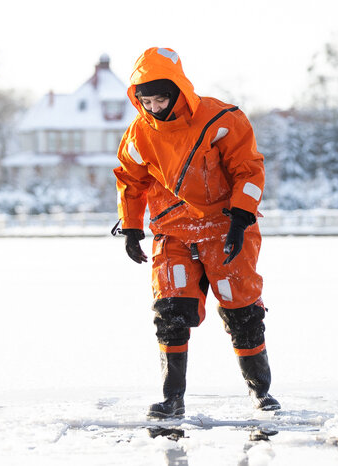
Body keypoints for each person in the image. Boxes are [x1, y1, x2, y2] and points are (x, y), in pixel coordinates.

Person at [113, 47, 280, 419]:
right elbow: (129, 181)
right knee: (170, 311)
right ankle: (172, 399)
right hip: (172, 234)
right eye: (146, 101)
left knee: (242, 312)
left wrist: (241, 218)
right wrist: (131, 227)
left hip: (225, 230)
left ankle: (261, 394)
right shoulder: (139, 135)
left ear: (178, 91)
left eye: (161, 98)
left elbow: (248, 171)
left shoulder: (222, 120)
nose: (154, 107)